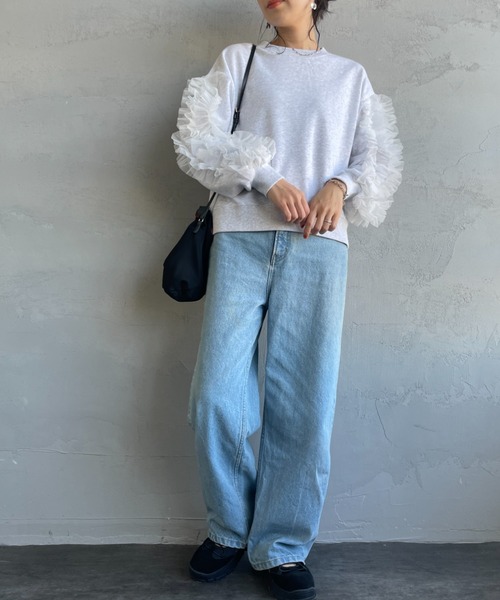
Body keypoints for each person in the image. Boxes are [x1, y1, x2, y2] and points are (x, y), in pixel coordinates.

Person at [171, 1, 403, 598]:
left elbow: (373, 156)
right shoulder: (239, 60)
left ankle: (280, 547)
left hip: (318, 246)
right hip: (240, 240)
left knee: (304, 399)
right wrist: (267, 179)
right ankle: (229, 529)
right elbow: (199, 138)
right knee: (215, 396)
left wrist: (339, 184)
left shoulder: (350, 76)